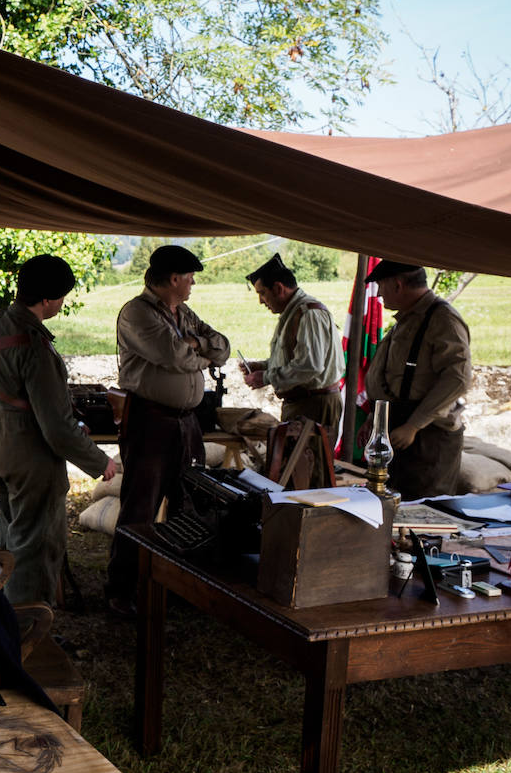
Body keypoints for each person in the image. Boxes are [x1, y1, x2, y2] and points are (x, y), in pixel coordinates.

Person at [0, 254, 117, 605]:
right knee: (34, 548)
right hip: (28, 450)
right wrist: (100, 462)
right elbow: (57, 428)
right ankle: (23, 634)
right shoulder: (34, 345)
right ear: (48, 299)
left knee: (10, 536)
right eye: (62, 296)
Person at [108, 245, 230, 615]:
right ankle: (122, 591)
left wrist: (196, 344)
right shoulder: (136, 313)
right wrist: (196, 349)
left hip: (185, 422)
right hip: (150, 421)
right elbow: (174, 357)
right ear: (173, 278)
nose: (193, 283)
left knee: (188, 504)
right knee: (140, 507)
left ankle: (178, 587)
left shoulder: (183, 312)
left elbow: (223, 347)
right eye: (190, 277)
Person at [363, 260, 473, 499]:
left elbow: (458, 378)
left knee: (422, 512)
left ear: (398, 284)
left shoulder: (442, 319)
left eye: (381, 286)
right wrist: (377, 418)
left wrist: (414, 425)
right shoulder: (407, 318)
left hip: (427, 438)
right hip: (399, 428)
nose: (379, 294)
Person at [241, 253, 344, 443]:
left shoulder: (309, 314)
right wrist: (264, 366)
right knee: (295, 467)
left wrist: (265, 377)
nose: (261, 301)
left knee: (310, 468)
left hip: (315, 405)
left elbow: (310, 366)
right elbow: (293, 358)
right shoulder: (293, 313)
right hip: (303, 403)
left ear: (279, 288)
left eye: (262, 293)